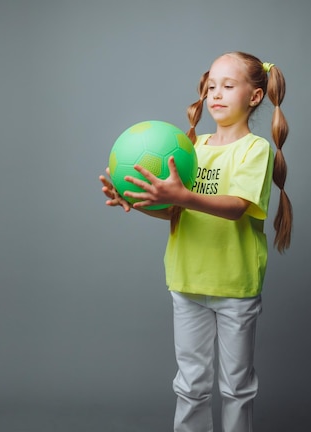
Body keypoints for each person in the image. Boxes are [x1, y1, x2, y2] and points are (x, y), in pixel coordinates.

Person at [99, 51, 292, 432]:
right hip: (187, 281)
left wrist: (183, 196)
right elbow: (176, 212)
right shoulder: (192, 148)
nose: (216, 94)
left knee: (236, 387)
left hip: (234, 285)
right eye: (211, 87)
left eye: (228, 86)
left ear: (254, 97)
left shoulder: (254, 150)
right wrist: (135, 202)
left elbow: (236, 206)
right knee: (190, 385)